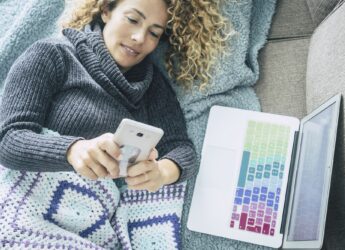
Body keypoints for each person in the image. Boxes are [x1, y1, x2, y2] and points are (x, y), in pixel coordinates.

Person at [0, 0, 229, 191]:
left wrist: (162, 172)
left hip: (96, 223)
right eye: (132, 19)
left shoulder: (153, 87)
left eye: (154, 33)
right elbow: (7, 140)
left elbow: (182, 150)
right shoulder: (53, 55)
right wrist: (72, 151)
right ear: (106, 10)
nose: (140, 37)